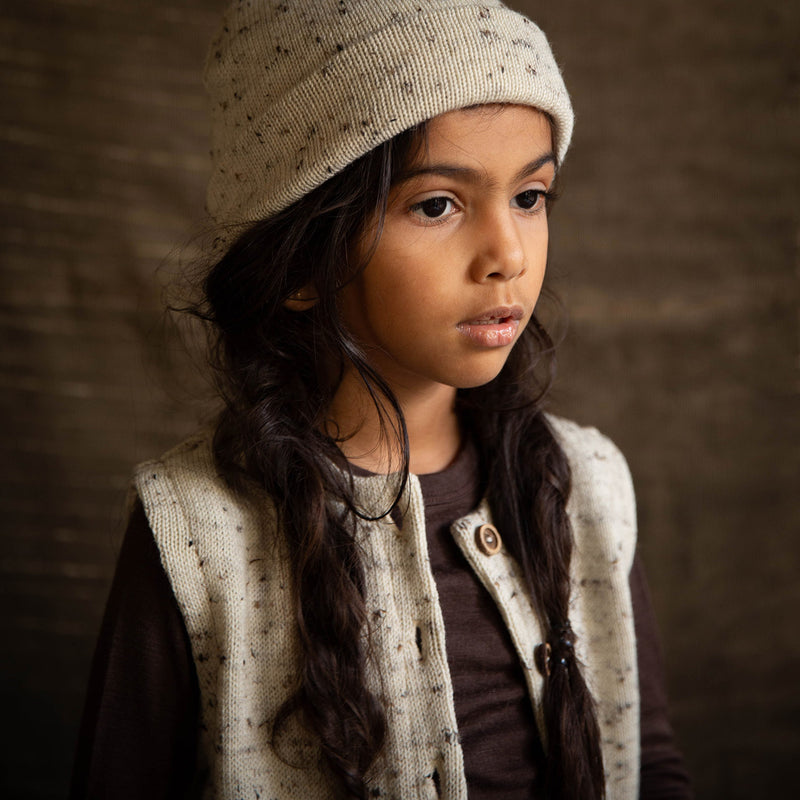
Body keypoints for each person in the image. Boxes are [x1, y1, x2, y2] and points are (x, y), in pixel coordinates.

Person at [71, 1, 693, 798]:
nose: (508, 253)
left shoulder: (587, 489)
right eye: (438, 204)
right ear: (301, 261)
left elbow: (649, 764)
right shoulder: (196, 534)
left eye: (531, 196)